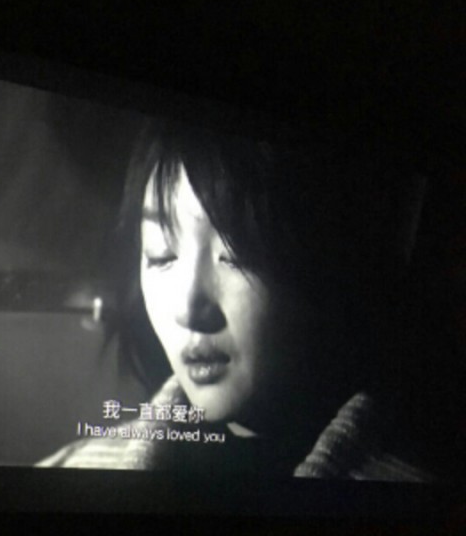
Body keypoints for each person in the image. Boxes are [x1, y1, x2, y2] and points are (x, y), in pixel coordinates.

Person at [38, 119, 438, 480]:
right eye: (160, 254)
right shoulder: (70, 474)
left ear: (327, 260)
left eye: (237, 251)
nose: (187, 307)